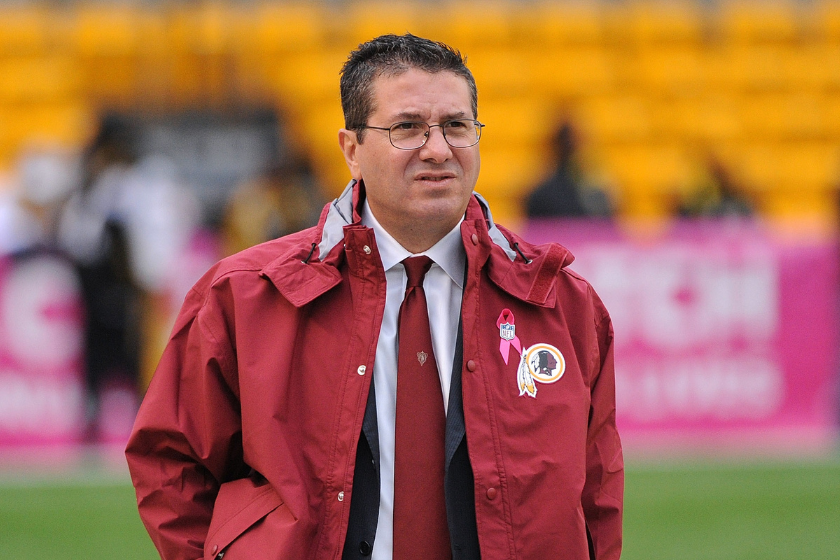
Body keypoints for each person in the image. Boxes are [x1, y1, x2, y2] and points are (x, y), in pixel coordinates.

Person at [126, 34, 623, 560]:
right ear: (352, 150)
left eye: (456, 126)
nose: (438, 148)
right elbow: (170, 463)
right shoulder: (243, 297)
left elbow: (597, 492)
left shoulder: (563, 304)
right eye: (407, 128)